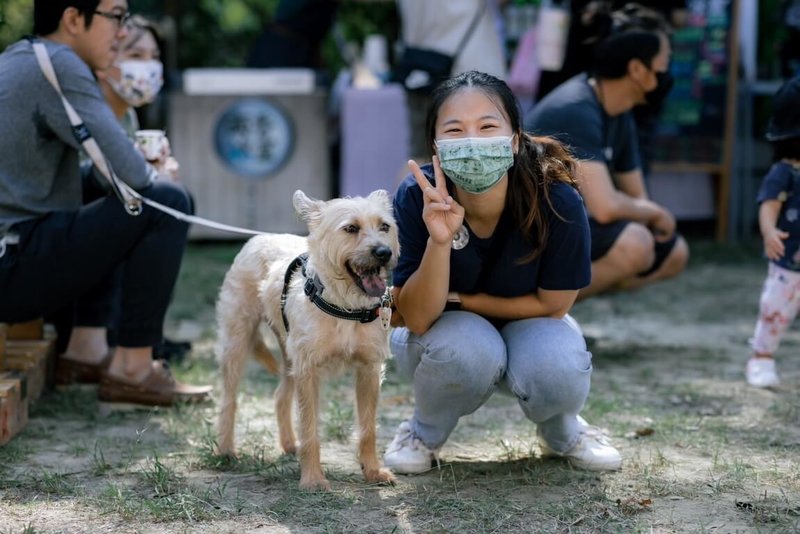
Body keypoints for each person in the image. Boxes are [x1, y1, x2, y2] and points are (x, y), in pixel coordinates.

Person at [382, 70, 622, 474]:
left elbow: (555, 304)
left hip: (533, 322)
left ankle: (564, 431)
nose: (473, 141)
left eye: (487, 126)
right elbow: (417, 316)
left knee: (558, 362)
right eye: (455, 130)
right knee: (465, 348)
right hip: (444, 335)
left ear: (513, 141)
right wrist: (440, 240)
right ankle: (423, 432)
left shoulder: (556, 197)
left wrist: (465, 301)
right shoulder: (415, 196)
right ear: (436, 148)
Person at [0, 0, 211, 406]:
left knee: (118, 191)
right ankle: (132, 369)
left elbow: (104, 175)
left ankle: (87, 350)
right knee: (168, 200)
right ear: (73, 19)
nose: (121, 30)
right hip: (10, 262)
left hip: (16, 248)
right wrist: (157, 176)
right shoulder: (59, 64)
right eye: (116, 16)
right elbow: (134, 175)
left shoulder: (25, 56)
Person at [524, 3, 689, 299]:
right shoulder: (576, 107)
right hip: (530, 230)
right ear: (638, 69)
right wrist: (655, 213)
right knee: (635, 245)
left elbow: (636, 196)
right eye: (664, 60)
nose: (667, 68)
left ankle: (568, 301)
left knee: (674, 251)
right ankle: (539, 305)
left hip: (569, 223)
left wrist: (649, 215)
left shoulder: (619, 110)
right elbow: (606, 207)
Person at [90, 14, 192, 361]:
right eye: (135, 56)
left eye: (154, 57)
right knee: (166, 202)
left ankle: (140, 335)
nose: (147, 68)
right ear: (105, 59)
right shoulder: (87, 110)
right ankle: (125, 338)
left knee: (172, 198)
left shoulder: (127, 116)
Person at [395, 0, 507, 161]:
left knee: (421, 158)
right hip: (471, 72)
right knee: (479, 159)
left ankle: (408, 187)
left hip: (421, 70)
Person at [745, 76, 800, 388]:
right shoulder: (785, 172)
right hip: (788, 260)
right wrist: (769, 232)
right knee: (775, 309)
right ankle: (762, 357)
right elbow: (769, 204)